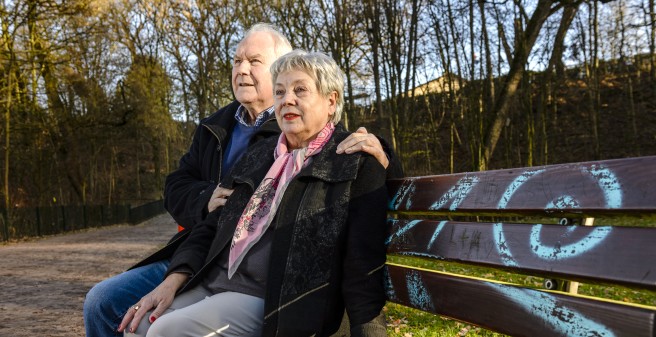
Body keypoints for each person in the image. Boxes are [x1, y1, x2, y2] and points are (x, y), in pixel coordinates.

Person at [84, 23, 399, 337]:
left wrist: (386, 155)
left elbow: (363, 259)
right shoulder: (257, 152)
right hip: (211, 271)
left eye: (299, 90)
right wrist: (175, 274)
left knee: (163, 330)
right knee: (136, 322)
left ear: (331, 101)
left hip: (274, 298)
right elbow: (204, 214)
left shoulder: (347, 157)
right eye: (280, 92)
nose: (287, 99)